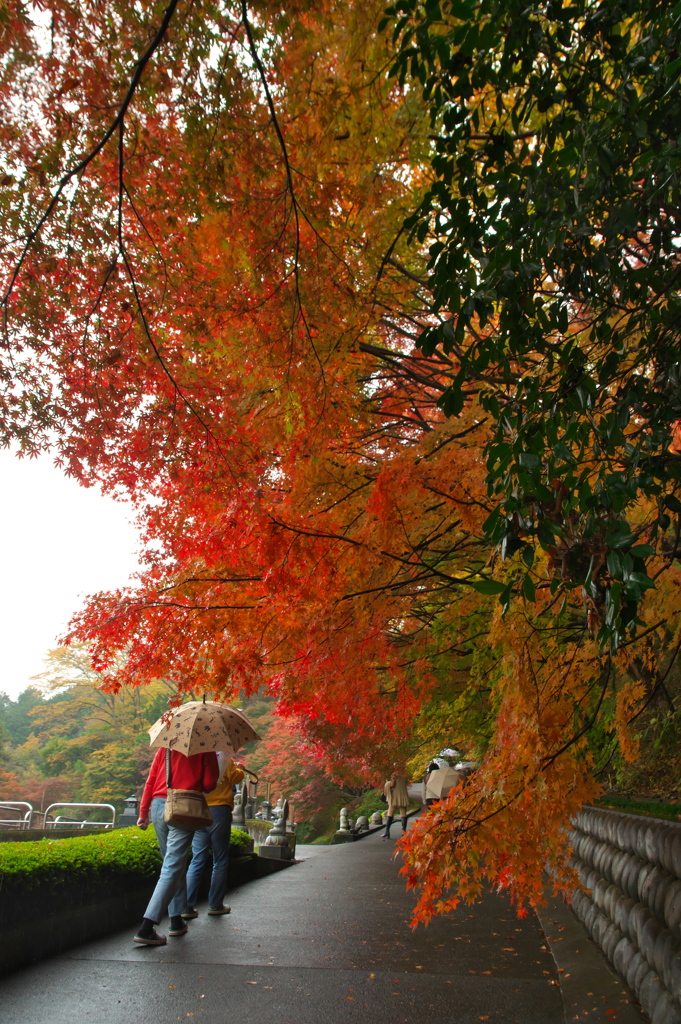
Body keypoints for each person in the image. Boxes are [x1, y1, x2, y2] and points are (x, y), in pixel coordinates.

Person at [134, 745, 219, 946]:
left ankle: (176, 920)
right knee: (173, 867)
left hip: (158, 806)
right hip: (182, 808)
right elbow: (209, 783)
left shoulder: (166, 748)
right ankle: (146, 927)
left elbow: (151, 780)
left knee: (173, 864)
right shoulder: (204, 748)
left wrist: (143, 812)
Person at [182, 752, 245, 919]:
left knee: (197, 858)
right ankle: (215, 904)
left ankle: (187, 906)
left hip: (200, 809)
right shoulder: (224, 757)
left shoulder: (198, 757)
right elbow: (235, 778)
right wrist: (240, 769)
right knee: (220, 859)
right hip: (219, 810)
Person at [382, 769, 410, 839]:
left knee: (390, 813)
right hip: (403, 796)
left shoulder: (395, 774)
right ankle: (404, 832)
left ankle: (387, 831)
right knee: (403, 814)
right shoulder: (404, 775)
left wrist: (387, 783)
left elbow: (392, 784)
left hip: (395, 797)